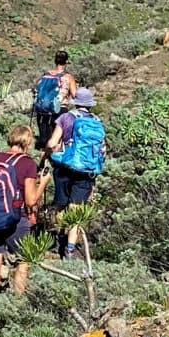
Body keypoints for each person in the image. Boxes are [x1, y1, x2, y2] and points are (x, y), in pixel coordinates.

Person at [0, 125, 46, 296]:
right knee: (22, 263)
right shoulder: (27, 163)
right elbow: (31, 200)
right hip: (17, 220)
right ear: (28, 142)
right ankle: (17, 303)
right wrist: (43, 182)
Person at [46, 86, 107, 259]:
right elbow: (102, 151)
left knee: (61, 205)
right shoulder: (97, 122)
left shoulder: (66, 117)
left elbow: (52, 144)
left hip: (64, 168)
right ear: (90, 104)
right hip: (86, 172)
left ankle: (59, 239)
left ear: (75, 102)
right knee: (76, 209)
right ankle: (70, 249)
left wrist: (51, 155)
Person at [30, 51, 75, 157]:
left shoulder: (45, 75)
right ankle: (53, 161)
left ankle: (42, 159)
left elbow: (37, 90)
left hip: (43, 110)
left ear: (55, 61)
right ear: (66, 62)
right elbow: (74, 94)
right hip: (60, 110)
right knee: (56, 140)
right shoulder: (68, 77)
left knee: (44, 139)